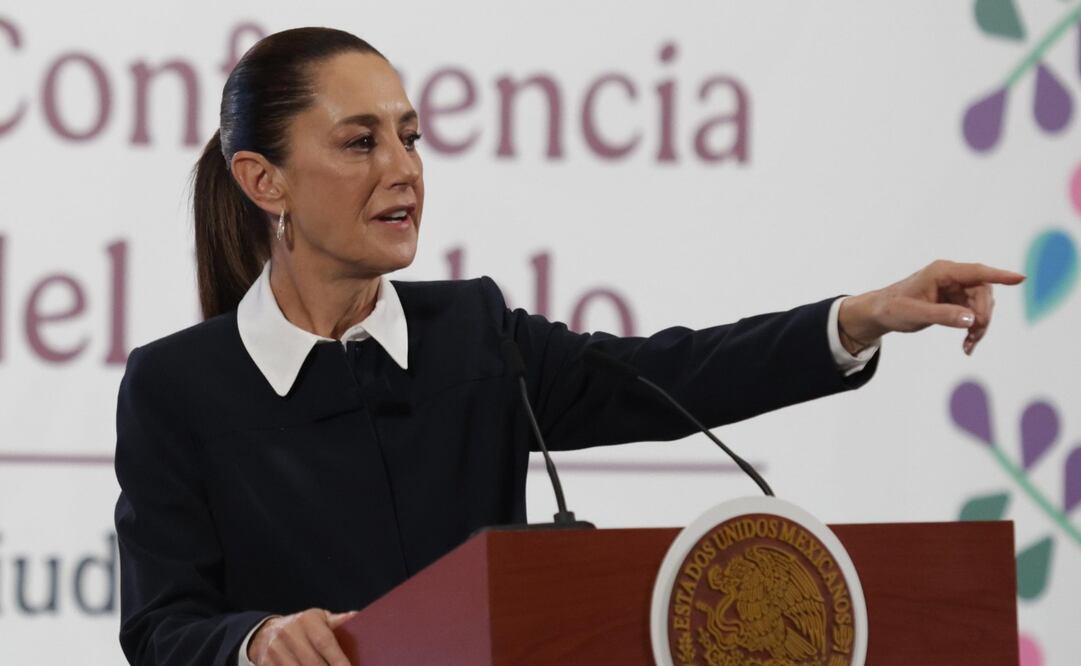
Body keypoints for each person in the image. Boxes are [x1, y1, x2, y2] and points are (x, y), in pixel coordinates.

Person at [112, 27, 1023, 666]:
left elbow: (671, 375)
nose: (403, 169)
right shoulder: (178, 386)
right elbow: (161, 629)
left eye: (411, 137)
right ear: (263, 180)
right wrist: (254, 640)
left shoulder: (471, 333)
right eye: (360, 142)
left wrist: (857, 317)